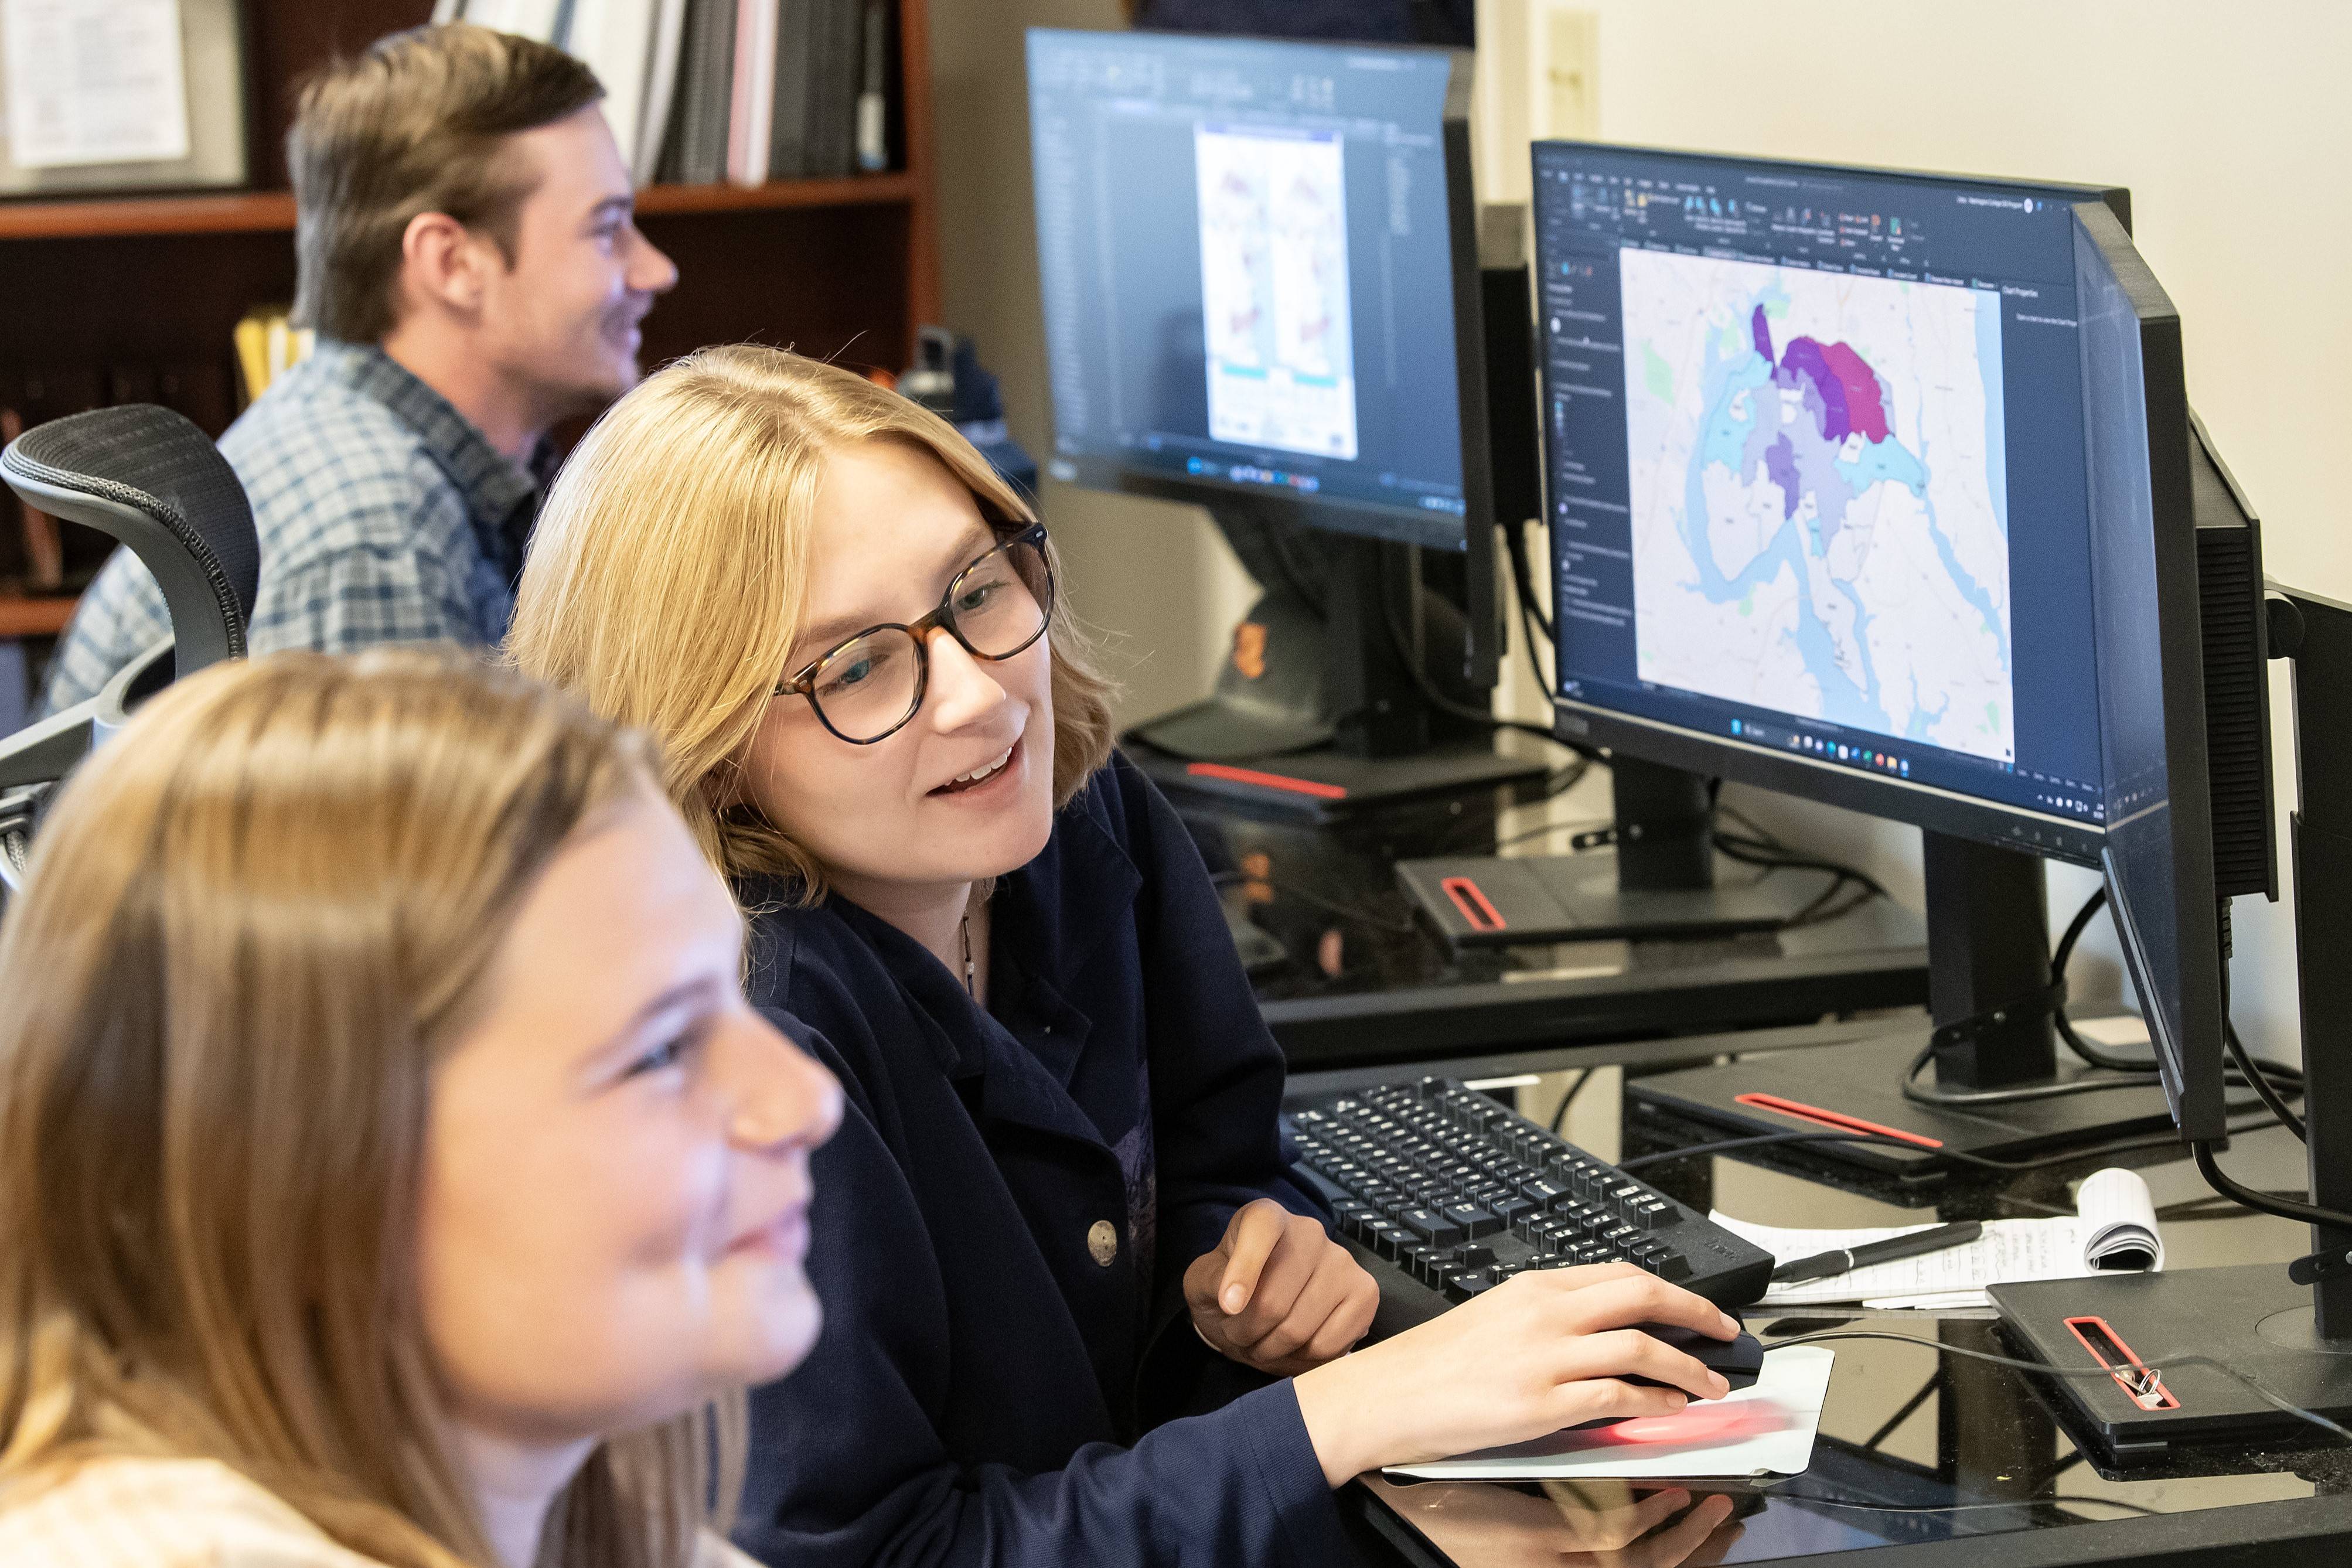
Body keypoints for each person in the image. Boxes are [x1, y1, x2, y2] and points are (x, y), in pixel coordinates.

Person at [506, 344, 1744, 1568]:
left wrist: (1251, 1252)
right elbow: (890, 1556)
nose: (982, 700)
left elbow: (1224, 1159)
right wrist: (1354, 1412)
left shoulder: (1076, 822)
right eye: (860, 667)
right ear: (704, 741)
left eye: (978, 590)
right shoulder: (747, 1045)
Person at [0, 649, 842, 1568]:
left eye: (731, 994)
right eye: (660, 1051)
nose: (805, 1101)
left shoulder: (592, 1528)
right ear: (293, 1173)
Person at [40, 22, 678, 714]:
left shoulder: (419, 464)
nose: (656, 269)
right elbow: (410, 830)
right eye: (607, 228)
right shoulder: (373, 538)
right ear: (452, 263)